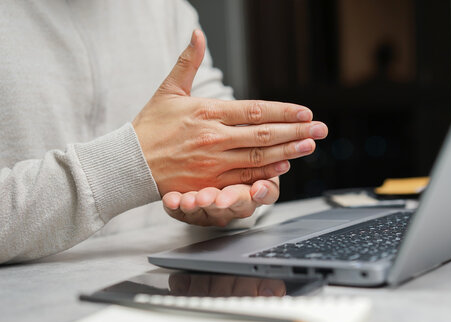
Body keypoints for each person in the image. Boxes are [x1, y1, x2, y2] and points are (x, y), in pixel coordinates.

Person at [0, 1, 328, 264]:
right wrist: (132, 162)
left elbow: (217, 131)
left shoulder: (168, 8)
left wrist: (243, 180)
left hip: (168, 283)